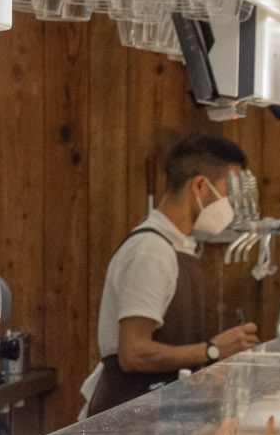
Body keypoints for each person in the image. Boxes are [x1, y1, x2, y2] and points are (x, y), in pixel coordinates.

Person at [82, 133, 259, 415]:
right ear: (200, 186)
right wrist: (212, 350)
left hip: (162, 412)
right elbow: (134, 353)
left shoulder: (179, 246)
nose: (232, 204)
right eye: (229, 192)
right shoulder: (150, 250)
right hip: (130, 419)